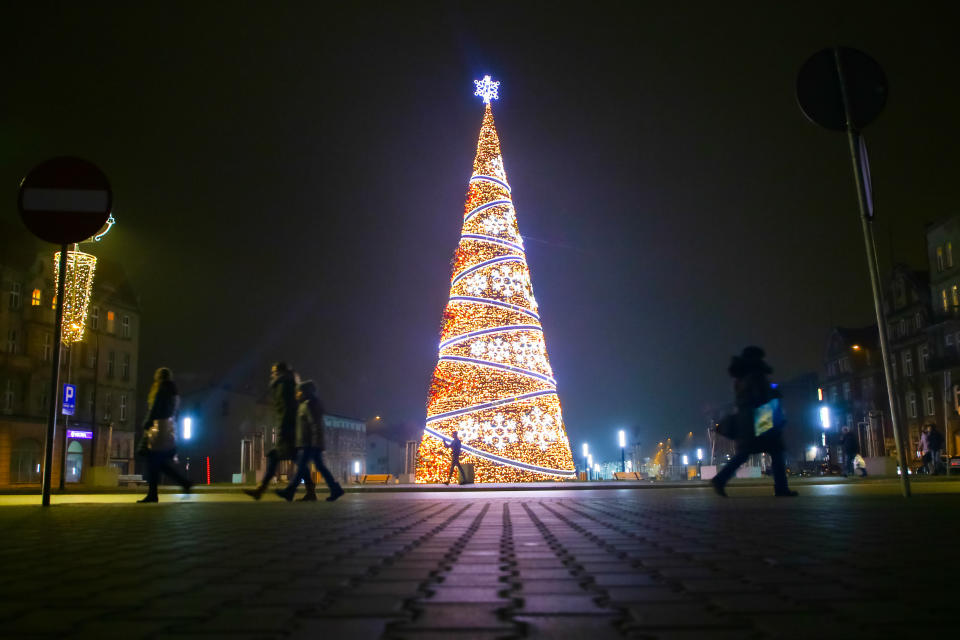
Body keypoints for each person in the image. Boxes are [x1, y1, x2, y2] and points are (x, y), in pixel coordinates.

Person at [711, 346, 797, 497]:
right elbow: (760, 396)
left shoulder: (740, 377)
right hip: (759, 417)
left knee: (745, 453)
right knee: (776, 451)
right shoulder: (755, 374)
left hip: (747, 418)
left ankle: (720, 479)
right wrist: (773, 395)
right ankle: (781, 488)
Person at [243, 362, 317, 500]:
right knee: (294, 460)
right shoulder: (289, 384)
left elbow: (286, 410)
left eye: (274, 371)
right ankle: (310, 491)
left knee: (275, 457)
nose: (272, 374)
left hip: (288, 429)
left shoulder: (283, 385)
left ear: (280, 372)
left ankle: (261, 489)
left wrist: (283, 429)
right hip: (292, 428)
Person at [276, 380, 344, 502]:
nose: (296, 394)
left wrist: (314, 443)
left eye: (298, 392)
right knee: (318, 467)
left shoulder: (308, 405)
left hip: (309, 444)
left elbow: (314, 425)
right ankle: (335, 489)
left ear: (303, 392)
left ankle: (290, 491)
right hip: (309, 443)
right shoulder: (307, 404)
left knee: (302, 468)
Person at [137, 367, 192, 503]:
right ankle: (183, 483)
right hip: (168, 429)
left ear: (159, 377)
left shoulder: (162, 388)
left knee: (153, 461)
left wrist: (148, 421)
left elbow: (156, 407)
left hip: (158, 429)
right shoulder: (174, 392)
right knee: (158, 463)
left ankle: (154, 494)